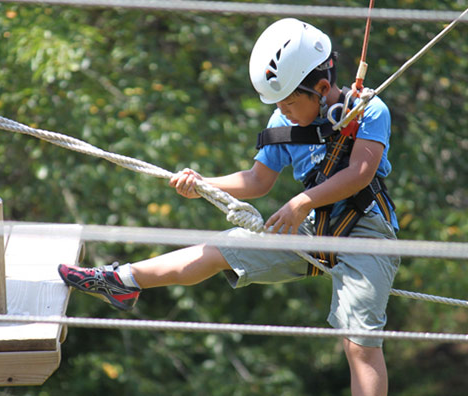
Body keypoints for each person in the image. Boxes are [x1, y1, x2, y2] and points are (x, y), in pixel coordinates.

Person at [58, 18, 399, 396]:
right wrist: (202, 183)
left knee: (358, 343)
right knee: (220, 250)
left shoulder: (369, 109)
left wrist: (302, 201)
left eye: (288, 102)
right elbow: (257, 181)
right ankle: (122, 281)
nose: (283, 111)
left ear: (321, 89)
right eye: (278, 104)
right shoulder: (282, 122)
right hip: (314, 229)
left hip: (367, 234)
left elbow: (361, 173)